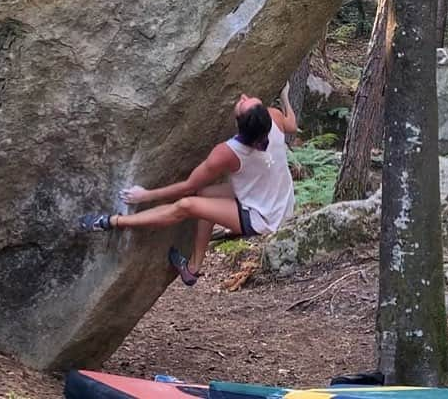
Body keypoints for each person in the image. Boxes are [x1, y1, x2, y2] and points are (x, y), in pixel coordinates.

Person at [79, 83, 297, 286]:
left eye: (243, 104)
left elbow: (187, 186)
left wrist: (146, 195)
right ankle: (193, 269)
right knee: (204, 195)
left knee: (186, 205)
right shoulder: (273, 116)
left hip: (263, 216)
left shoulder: (227, 153)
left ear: (239, 124)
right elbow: (293, 126)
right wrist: (285, 96)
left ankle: (112, 221)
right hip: (277, 198)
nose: (243, 97)